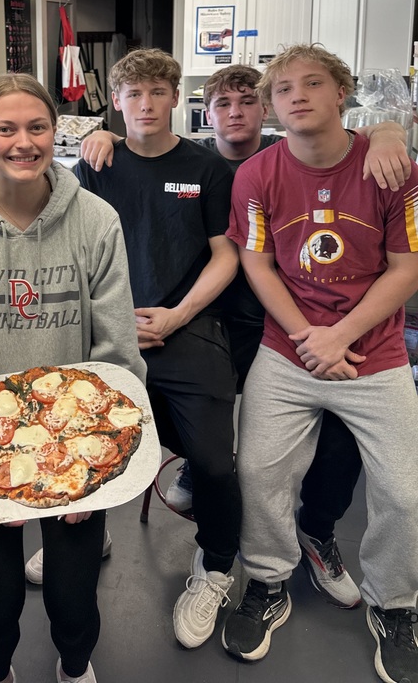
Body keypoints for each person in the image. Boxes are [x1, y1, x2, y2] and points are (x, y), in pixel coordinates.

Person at [81, 65, 410, 610]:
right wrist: (106, 132)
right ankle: (107, 519)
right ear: (206, 114)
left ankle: (314, 532)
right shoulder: (234, 169)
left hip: (269, 326)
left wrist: (390, 131)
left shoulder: (271, 153)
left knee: (334, 450)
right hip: (253, 324)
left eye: (247, 102)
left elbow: (342, 145)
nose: (236, 113)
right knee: (232, 458)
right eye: (223, 104)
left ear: (264, 112)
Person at [0, 73, 147, 683]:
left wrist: (92, 475)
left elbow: (116, 349)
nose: (23, 142)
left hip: (80, 445)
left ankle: (74, 667)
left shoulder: (97, 221)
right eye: (5, 129)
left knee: (73, 595)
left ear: (57, 133)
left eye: (37, 127)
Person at [223, 44, 418, 683]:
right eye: (283, 89)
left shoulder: (393, 167)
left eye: (313, 84)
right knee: (257, 467)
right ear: (272, 105)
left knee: (405, 491)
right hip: (289, 348)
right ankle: (268, 580)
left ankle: (395, 603)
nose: (297, 96)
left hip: (376, 353)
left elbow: (407, 268)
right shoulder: (256, 174)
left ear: (342, 94)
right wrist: (309, 334)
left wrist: (341, 338)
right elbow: (256, 261)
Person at [75, 48, 242, 652]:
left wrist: (178, 314)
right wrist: (116, 320)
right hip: (113, 332)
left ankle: (216, 566)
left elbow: (227, 254)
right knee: (92, 447)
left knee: (216, 466)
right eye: (132, 95)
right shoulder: (96, 163)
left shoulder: (207, 169)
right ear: (116, 102)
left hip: (189, 328)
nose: (145, 105)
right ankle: (86, 537)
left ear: (175, 98)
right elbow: (75, 250)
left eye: (156, 93)